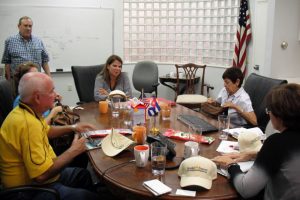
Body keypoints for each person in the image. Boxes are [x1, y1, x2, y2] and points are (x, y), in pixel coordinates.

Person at [0, 72, 100, 200]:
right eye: (52, 91)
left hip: (39, 176)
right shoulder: (27, 124)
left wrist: (73, 127)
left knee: (82, 175)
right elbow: (41, 176)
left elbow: (46, 131)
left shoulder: (26, 111)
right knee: (87, 197)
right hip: (27, 190)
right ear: (37, 98)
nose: (56, 94)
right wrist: (74, 150)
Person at [212, 83, 300, 199]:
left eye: (269, 110)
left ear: (279, 115)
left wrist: (230, 164)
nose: (269, 114)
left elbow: (246, 189)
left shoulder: (277, 142)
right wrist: (253, 155)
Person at [1, 16, 51, 82]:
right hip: (17, 81)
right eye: (25, 25)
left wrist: (49, 78)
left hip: (36, 80)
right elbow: (7, 62)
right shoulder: (10, 41)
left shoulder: (38, 41)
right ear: (19, 26)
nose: (28, 28)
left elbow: (44, 61)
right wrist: (9, 81)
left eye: (30, 26)